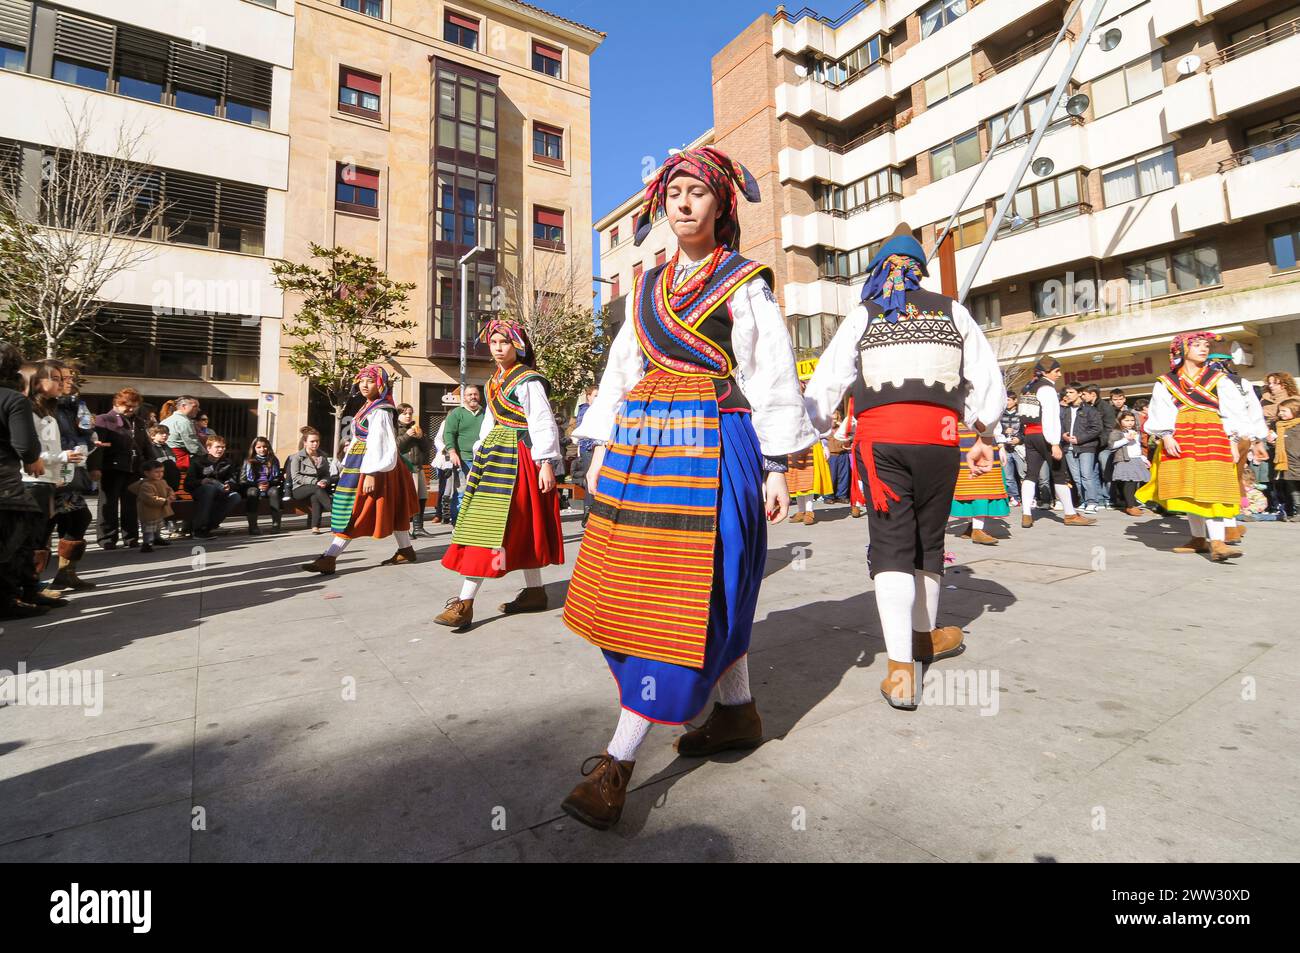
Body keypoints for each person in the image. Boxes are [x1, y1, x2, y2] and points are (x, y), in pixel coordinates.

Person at [559, 145, 813, 831]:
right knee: (665, 589)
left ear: (720, 204)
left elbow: (770, 374)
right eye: (673, 189)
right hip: (644, 448)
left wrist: (776, 465)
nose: (683, 200)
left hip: (718, 442)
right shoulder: (643, 290)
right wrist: (599, 448)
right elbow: (621, 370)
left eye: (698, 190)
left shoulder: (745, 284)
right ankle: (737, 712)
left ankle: (619, 761)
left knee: (691, 592)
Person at [804, 221, 1004, 711]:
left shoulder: (864, 317)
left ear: (878, 272)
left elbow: (823, 385)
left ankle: (900, 671)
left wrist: (827, 430)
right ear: (920, 272)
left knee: (892, 542)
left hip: (881, 442)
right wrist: (984, 433)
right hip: (938, 441)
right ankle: (923, 637)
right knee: (928, 541)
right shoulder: (952, 312)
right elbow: (986, 380)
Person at [435, 321, 564, 629]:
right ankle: (534, 592)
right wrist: (481, 451)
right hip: (496, 457)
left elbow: (541, 420)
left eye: (504, 342)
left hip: (519, 457)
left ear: (517, 346)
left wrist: (545, 461)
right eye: (493, 341)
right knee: (514, 527)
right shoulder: (494, 381)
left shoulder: (527, 380)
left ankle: (465, 602)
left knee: (489, 527)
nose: (497, 346)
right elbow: (489, 423)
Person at [1136, 332, 1251, 561]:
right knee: (1187, 488)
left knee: (1213, 487)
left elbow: (1233, 412)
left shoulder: (1219, 379)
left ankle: (1217, 542)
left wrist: (1233, 441)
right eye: (1197, 345)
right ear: (1182, 350)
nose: (1203, 348)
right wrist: (1167, 436)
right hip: (1182, 436)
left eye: (1206, 345)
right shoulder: (1167, 381)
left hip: (1212, 435)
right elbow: (1162, 409)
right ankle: (1198, 538)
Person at [301, 366, 420, 574]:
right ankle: (406, 549)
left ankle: (330, 557)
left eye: (370, 381)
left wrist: (372, 473)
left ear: (380, 384)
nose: (364, 385)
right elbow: (359, 438)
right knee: (392, 508)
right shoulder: (368, 406)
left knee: (354, 510)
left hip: (374, 466)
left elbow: (380, 442)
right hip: (363, 463)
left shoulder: (381, 410)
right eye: (362, 380)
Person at [19, 361, 84, 605]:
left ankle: (37, 583)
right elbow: (28, 452)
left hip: (51, 480)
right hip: (32, 481)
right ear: (36, 382)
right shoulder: (27, 410)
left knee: (52, 529)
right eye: (57, 378)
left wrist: (63, 466)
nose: (63, 382)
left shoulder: (56, 410)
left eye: (65, 378)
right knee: (32, 538)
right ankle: (27, 588)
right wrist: (62, 457)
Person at [0, 342, 49, 620]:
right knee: (13, 542)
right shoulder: (13, 399)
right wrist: (34, 458)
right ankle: (8, 600)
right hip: (5, 487)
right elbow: (25, 446)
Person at [1016, 360, 1095, 528]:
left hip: (1030, 435)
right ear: (1045, 372)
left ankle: (1026, 514)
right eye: (1056, 371)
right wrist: (1054, 443)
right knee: (1059, 473)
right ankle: (1070, 514)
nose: (1059, 374)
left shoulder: (1029, 387)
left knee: (1031, 474)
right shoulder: (1047, 388)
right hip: (1044, 435)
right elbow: (1050, 417)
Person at [93, 387, 150, 549]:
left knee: (130, 504)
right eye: (127, 405)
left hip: (133, 468)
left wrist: (152, 464)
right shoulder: (104, 419)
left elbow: (145, 445)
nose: (131, 409)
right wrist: (96, 467)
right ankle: (107, 538)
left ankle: (130, 537)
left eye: (134, 406)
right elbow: (99, 446)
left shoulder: (138, 422)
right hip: (111, 467)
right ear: (116, 403)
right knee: (108, 503)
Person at [951, 423, 1009, 545]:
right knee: (979, 486)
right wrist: (1000, 444)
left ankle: (973, 526)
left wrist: (1001, 444)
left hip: (963, 439)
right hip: (978, 439)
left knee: (970, 485)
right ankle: (977, 530)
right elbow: (993, 418)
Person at [443, 384, 485, 523]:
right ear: (464, 397)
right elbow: (448, 434)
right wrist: (452, 452)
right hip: (463, 460)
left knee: (480, 494)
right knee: (462, 493)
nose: (473, 397)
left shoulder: (485, 414)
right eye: (469, 394)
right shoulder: (457, 413)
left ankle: (474, 525)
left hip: (483, 460)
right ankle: (457, 524)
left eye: (475, 394)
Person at [185, 433, 240, 539]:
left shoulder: (228, 462)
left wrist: (229, 485)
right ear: (208, 448)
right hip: (201, 492)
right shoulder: (197, 462)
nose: (220, 450)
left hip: (220, 491)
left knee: (235, 496)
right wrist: (201, 481)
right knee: (209, 489)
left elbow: (233, 480)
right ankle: (198, 529)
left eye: (223, 447)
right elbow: (188, 484)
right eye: (217, 447)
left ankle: (208, 527)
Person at [1061, 384, 1104, 513]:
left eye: (1071, 392)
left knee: (1086, 475)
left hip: (1086, 447)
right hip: (1068, 447)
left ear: (1079, 393)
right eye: (1066, 392)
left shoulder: (1090, 410)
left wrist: (1080, 439)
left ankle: (1092, 502)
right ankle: (1084, 501)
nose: (1067, 395)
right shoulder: (1065, 410)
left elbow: (1097, 428)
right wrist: (1063, 435)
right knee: (1076, 477)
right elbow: (1060, 426)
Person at [287, 426, 336, 534]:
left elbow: (326, 474)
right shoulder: (296, 457)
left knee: (315, 496)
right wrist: (315, 482)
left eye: (317, 441)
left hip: (318, 488)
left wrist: (325, 481)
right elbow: (296, 477)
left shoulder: (323, 456)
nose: (315, 444)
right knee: (317, 490)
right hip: (299, 489)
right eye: (312, 441)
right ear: (305, 442)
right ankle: (337, 514)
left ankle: (315, 526)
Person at [395, 403, 432, 538]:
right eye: (404, 413)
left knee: (421, 497)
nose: (408, 416)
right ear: (398, 415)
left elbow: (428, 447)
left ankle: (418, 527)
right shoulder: (395, 428)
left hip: (418, 467)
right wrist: (408, 436)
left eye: (410, 413)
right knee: (406, 499)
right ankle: (405, 529)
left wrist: (421, 437)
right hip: (404, 468)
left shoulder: (416, 427)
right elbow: (395, 446)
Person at [1108, 410, 1151, 516]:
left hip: (1136, 459)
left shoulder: (1136, 432)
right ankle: (1130, 506)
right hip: (1125, 460)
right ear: (1120, 421)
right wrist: (1126, 439)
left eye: (1132, 420)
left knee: (1137, 481)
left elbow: (1137, 447)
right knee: (1129, 482)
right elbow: (1111, 446)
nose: (1130, 422)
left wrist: (1143, 458)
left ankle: (1133, 502)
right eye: (1126, 420)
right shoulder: (1117, 432)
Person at [129, 458, 176, 552]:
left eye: (161, 471)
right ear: (147, 473)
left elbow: (168, 489)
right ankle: (147, 543)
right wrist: (164, 501)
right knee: (148, 528)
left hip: (159, 510)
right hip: (148, 511)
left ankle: (157, 538)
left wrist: (171, 495)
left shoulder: (162, 482)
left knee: (158, 525)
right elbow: (150, 499)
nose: (160, 474)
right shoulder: (146, 485)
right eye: (156, 472)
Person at [240, 436, 283, 535]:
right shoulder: (248, 460)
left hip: (269, 485)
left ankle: (276, 525)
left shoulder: (273, 460)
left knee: (275, 491)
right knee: (252, 492)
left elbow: (277, 478)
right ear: (254, 448)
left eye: (264, 447)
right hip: (253, 486)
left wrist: (269, 483)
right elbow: (243, 480)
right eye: (259, 447)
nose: (262, 449)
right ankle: (253, 527)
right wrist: (257, 485)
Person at [570, 385, 598, 527]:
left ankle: (590, 510)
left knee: (592, 479)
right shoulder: (587, 410)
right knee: (591, 478)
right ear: (588, 397)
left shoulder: (590, 409)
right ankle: (589, 510)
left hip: (592, 447)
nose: (598, 399)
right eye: (595, 396)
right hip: (589, 448)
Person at [160, 396, 203, 473]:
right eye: (195, 406)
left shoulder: (165, 421)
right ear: (184, 406)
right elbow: (194, 446)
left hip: (164, 460)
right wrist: (207, 456)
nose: (198, 409)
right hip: (180, 462)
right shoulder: (184, 422)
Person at [1273, 398, 1300, 519]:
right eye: (1279, 411)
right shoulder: (1280, 426)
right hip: (1287, 463)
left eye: (1284, 411)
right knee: (1291, 487)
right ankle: (1295, 510)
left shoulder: (1297, 426)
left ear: (1295, 411)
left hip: (1297, 461)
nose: (1280, 414)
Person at [998, 389, 1025, 508]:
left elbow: (1025, 431)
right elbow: (997, 430)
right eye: (1005, 400)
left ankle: (1029, 498)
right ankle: (1014, 497)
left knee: (1023, 474)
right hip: (1006, 448)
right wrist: (1004, 432)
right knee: (1008, 476)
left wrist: (1019, 439)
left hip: (1019, 448)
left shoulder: (1021, 414)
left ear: (1015, 401)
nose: (1007, 402)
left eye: (1009, 400)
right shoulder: (1000, 414)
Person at [431, 416, 455, 525]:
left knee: (454, 489)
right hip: (444, 460)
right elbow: (438, 440)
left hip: (459, 459)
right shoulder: (445, 423)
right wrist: (446, 449)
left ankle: (451, 514)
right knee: (443, 488)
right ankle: (439, 514)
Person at [827, 409, 854, 504]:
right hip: (831, 455)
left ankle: (841, 496)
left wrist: (841, 424)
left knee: (844, 476)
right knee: (831, 476)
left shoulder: (842, 428)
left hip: (843, 454)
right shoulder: (826, 429)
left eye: (836, 416)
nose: (834, 419)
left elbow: (850, 436)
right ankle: (829, 496)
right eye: (832, 417)